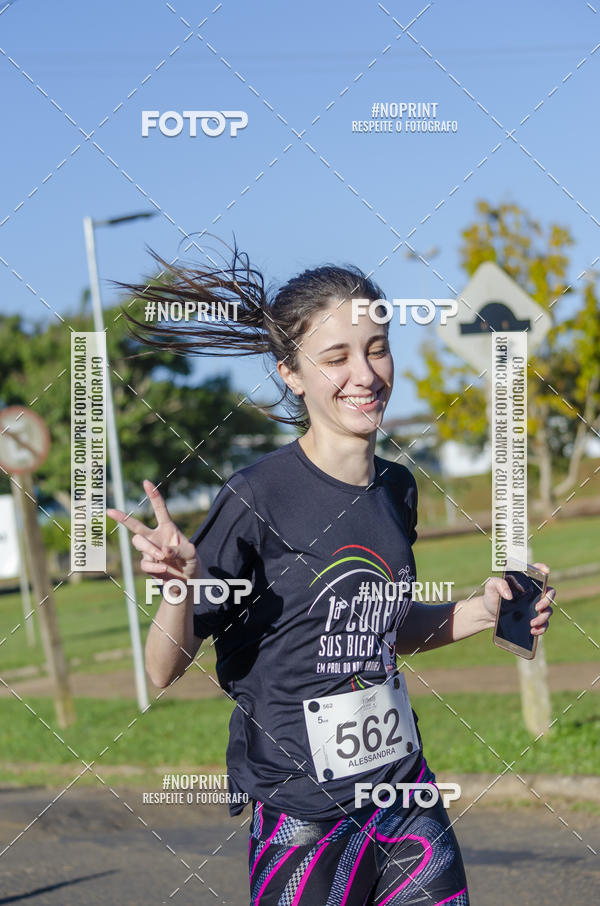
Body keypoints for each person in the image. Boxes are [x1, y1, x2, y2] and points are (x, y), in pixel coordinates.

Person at [108, 243, 554, 905]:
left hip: (404, 794)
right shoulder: (257, 498)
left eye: (376, 348)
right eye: (336, 357)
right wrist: (179, 588)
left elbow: (390, 631)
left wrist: (484, 611)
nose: (365, 374)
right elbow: (160, 667)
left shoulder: (397, 488)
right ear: (291, 373)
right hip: (302, 816)